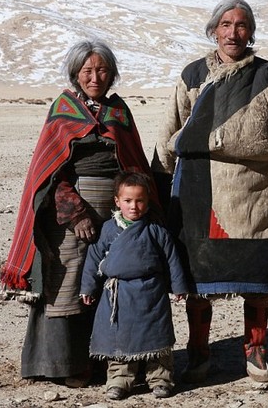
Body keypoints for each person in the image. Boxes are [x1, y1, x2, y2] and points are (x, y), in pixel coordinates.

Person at [151, 0, 268, 383]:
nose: (233, 32)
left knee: (257, 279)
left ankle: (256, 352)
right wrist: (159, 190)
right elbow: (171, 132)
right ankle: (199, 353)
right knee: (199, 284)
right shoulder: (192, 74)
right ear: (213, 30)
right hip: (200, 194)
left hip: (256, 193)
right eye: (225, 24)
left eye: (241, 25)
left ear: (250, 32)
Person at [0, 38, 156, 388]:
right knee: (69, 282)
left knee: (109, 281)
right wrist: (76, 213)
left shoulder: (119, 112)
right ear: (75, 74)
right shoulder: (63, 108)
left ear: (112, 74)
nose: (95, 77)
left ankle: (109, 361)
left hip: (117, 214)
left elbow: (132, 164)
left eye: (102, 70)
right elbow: (50, 174)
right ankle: (66, 364)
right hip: (70, 218)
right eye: (87, 71)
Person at [80, 171, 188, 400]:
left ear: (147, 201)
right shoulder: (109, 229)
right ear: (117, 201)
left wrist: (179, 287)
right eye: (128, 201)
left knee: (156, 338)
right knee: (119, 339)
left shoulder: (156, 230)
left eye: (140, 200)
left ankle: (160, 379)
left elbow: (172, 259)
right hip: (118, 295)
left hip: (151, 293)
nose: (134, 206)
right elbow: (93, 258)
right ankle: (120, 381)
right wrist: (88, 287)